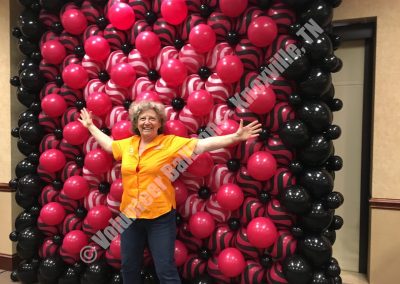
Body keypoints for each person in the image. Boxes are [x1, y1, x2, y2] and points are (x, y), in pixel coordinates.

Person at [79, 100, 261, 284]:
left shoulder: (169, 143)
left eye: (152, 118)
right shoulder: (128, 144)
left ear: (159, 123)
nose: (147, 122)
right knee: (129, 266)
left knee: (165, 269)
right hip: (130, 217)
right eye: (142, 118)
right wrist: (90, 126)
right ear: (136, 123)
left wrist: (235, 137)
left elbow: (202, 145)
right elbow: (110, 146)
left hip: (160, 217)